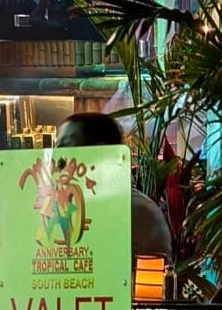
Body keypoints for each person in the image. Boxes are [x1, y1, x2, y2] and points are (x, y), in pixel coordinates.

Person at [54, 110, 174, 262]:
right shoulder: (60, 210)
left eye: (66, 146)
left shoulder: (137, 212)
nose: (57, 157)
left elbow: (150, 279)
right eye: (57, 147)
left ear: (100, 152)